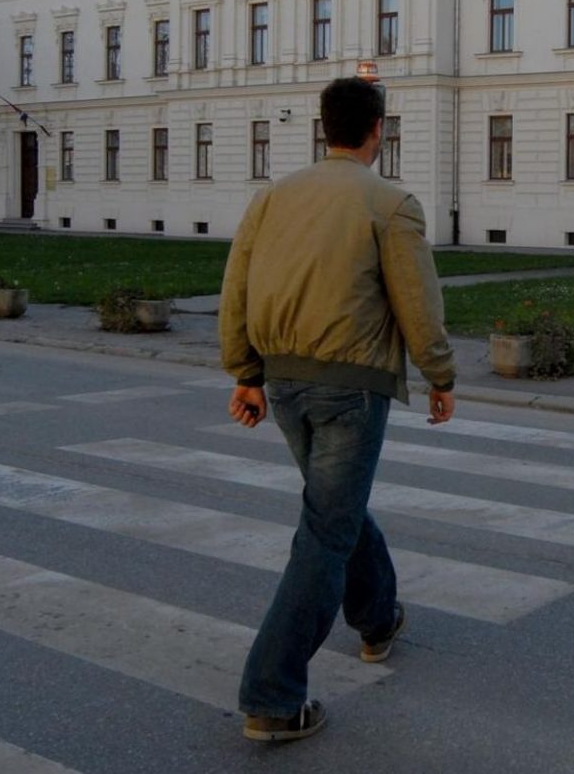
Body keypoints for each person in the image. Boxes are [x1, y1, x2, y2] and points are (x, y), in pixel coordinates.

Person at [219, 76, 457, 742]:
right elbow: (417, 301)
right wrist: (440, 375)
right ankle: (270, 695)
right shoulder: (392, 202)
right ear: (379, 130)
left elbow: (237, 285)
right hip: (352, 386)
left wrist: (246, 374)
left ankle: (379, 620)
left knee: (335, 511)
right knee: (325, 530)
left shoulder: (274, 197)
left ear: (324, 128)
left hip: (285, 384)